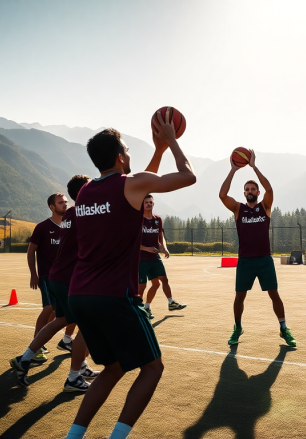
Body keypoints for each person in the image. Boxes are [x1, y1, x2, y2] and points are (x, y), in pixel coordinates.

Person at [64, 113, 196, 439]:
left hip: (80, 295)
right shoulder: (130, 184)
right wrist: (172, 140)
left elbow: (139, 182)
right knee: (153, 368)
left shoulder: (85, 193)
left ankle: (73, 436)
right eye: (126, 148)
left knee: (113, 368)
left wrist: (159, 150)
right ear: (121, 156)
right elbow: (187, 176)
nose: (129, 153)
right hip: (114, 296)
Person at [11, 175, 100, 392]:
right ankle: (74, 377)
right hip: (70, 278)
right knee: (88, 325)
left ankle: (25, 358)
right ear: (85, 191)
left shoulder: (70, 213)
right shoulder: (84, 213)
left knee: (61, 320)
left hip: (57, 277)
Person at [219, 149, 296, 348]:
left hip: (264, 259)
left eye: (253, 189)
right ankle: (237, 327)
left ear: (257, 192)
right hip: (245, 260)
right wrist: (233, 170)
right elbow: (222, 194)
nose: (249, 192)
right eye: (247, 190)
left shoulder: (265, 206)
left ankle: (283, 328)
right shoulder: (238, 209)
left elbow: (270, 189)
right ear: (244, 193)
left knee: (274, 295)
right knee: (239, 297)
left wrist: (254, 166)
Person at [27, 193, 76, 363]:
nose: (65, 205)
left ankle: (64, 340)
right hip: (48, 276)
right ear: (52, 207)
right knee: (48, 309)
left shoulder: (69, 225)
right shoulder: (42, 227)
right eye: (61, 202)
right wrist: (34, 274)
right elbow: (30, 250)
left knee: (58, 312)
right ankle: (35, 346)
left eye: (66, 202)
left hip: (65, 277)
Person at [138, 194, 186, 320]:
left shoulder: (157, 220)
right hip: (141, 259)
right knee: (140, 288)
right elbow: (132, 241)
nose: (149, 204)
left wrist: (164, 247)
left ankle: (169, 303)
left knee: (161, 281)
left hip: (154, 258)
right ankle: (139, 310)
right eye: (146, 202)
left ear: (153, 204)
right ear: (142, 204)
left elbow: (161, 236)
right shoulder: (138, 220)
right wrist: (147, 248)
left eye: (151, 202)